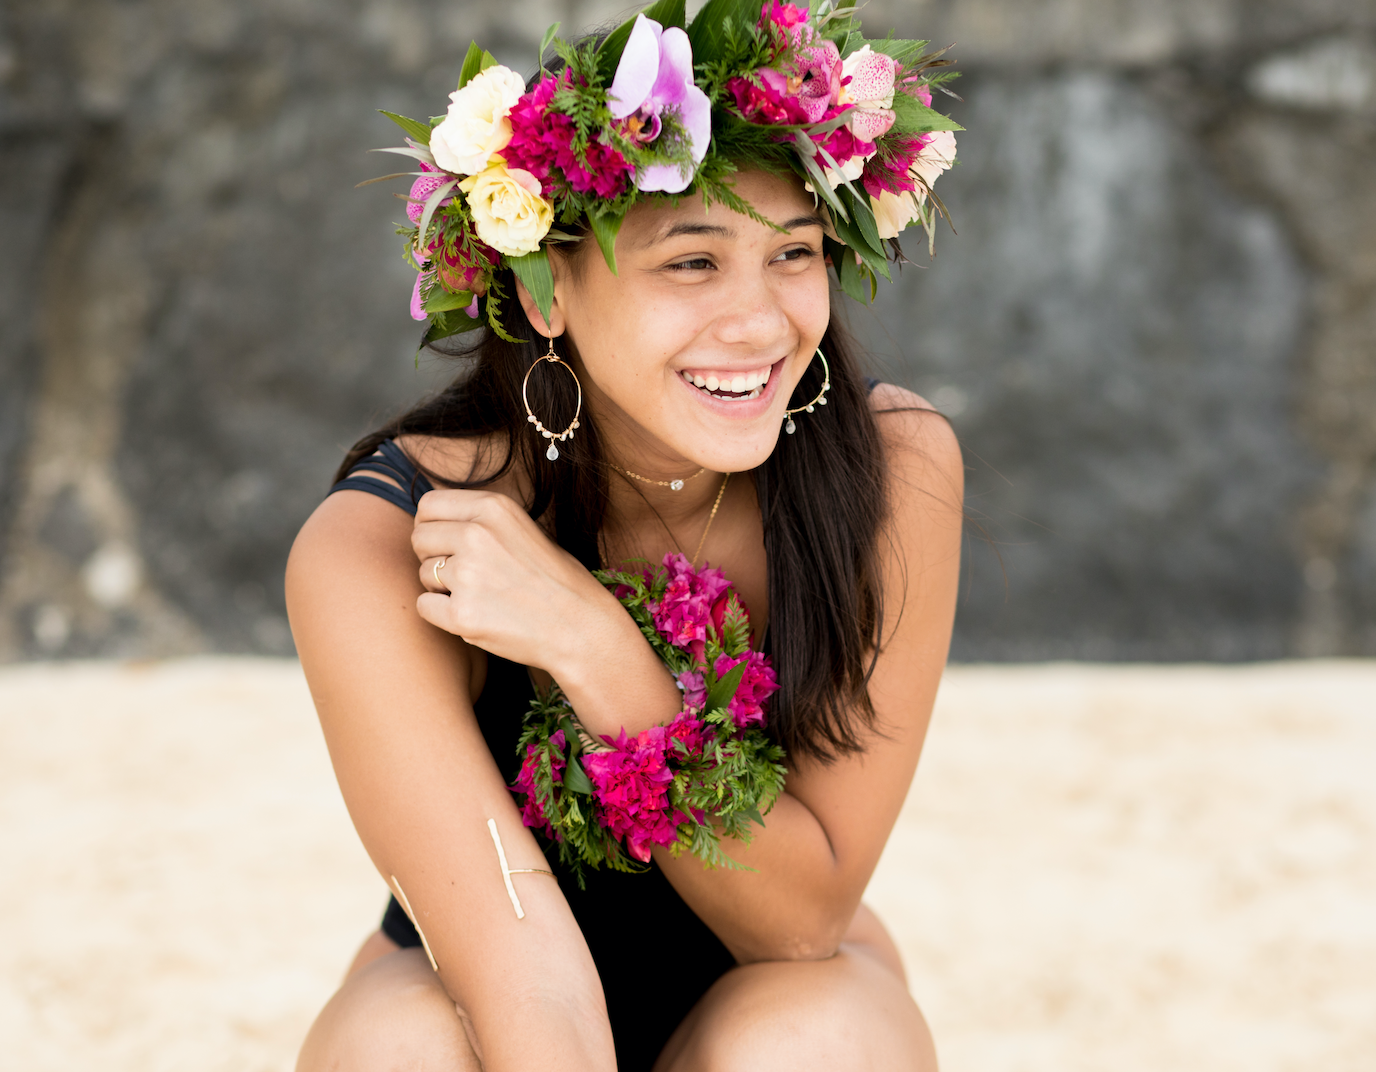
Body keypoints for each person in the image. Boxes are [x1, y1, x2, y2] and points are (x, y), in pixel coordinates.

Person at [286, 6, 963, 1069]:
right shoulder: (376, 543)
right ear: (542, 288)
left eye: (793, 253)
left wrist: (598, 651)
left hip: (769, 987)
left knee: (814, 1041)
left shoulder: (894, 469)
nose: (758, 323)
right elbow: (525, 982)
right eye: (690, 262)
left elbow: (796, 923)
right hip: (475, 992)